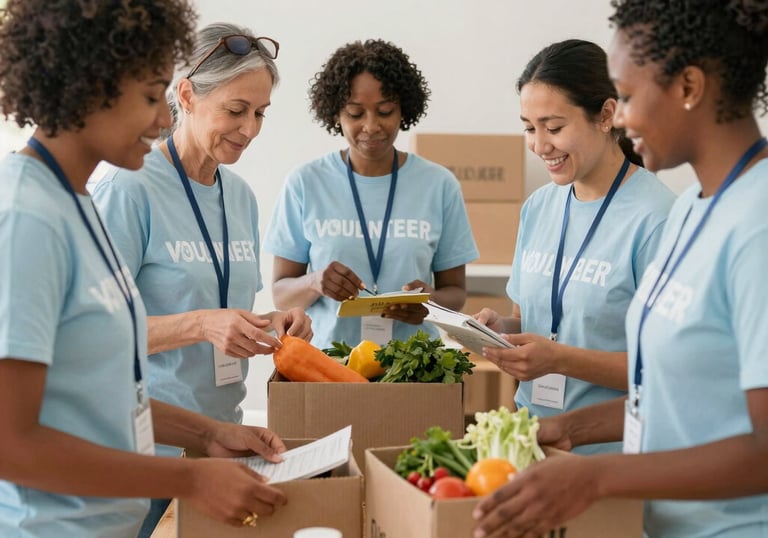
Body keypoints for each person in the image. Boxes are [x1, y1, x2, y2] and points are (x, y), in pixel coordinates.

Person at [473, 1, 768, 536]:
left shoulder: (757, 223)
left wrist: (599, 476)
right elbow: (667, 393)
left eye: (628, 97)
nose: (623, 118)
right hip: (657, 520)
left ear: (690, 87)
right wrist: (568, 429)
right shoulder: (692, 211)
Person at [0, 3, 291, 536]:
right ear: (92, 87)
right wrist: (189, 480)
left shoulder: (75, 203)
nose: (163, 119)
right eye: (152, 96)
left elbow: (107, 388)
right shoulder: (27, 217)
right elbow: (10, 442)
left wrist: (207, 436)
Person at [91, 22, 312, 536]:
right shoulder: (128, 186)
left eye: (260, 113)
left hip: (218, 444)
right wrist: (199, 324)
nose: (251, 129)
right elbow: (92, 336)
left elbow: (225, 311)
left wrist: (274, 322)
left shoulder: (240, 196)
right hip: (137, 449)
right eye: (236, 111)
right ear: (186, 95)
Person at [474, 39, 675, 454]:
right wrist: (498, 331)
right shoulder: (539, 207)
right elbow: (530, 320)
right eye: (530, 128)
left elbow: (667, 371)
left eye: (554, 127)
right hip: (531, 443)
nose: (539, 145)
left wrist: (559, 359)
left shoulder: (657, 218)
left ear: (605, 116)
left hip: (613, 456)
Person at [263, 39, 478, 349]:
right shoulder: (305, 183)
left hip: (413, 365)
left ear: (404, 109)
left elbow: (455, 292)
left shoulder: (439, 184)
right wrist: (315, 282)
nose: (371, 126)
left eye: (385, 111)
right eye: (355, 113)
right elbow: (281, 293)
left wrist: (429, 302)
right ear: (336, 114)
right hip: (330, 366)